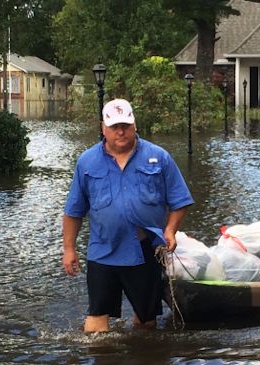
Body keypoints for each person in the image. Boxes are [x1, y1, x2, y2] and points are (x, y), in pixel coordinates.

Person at [62, 98, 194, 332]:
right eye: (114, 126)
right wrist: (69, 248)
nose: (121, 131)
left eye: (126, 125)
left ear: (135, 125)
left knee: (146, 321)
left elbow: (179, 199)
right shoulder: (87, 162)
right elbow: (74, 211)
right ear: (103, 128)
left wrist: (170, 230)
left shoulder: (159, 157)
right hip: (103, 251)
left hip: (145, 250)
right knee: (95, 324)